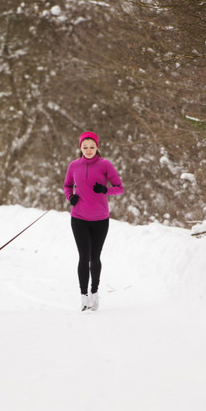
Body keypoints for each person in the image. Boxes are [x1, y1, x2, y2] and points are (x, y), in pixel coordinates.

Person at [63, 131, 124, 311]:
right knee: (83, 257)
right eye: (85, 147)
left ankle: (95, 293)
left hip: (100, 219)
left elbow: (119, 188)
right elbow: (67, 185)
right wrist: (70, 197)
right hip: (79, 218)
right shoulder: (74, 166)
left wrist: (105, 190)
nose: (88, 150)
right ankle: (84, 297)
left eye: (92, 147)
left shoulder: (105, 165)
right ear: (80, 148)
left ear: (97, 147)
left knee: (95, 257)